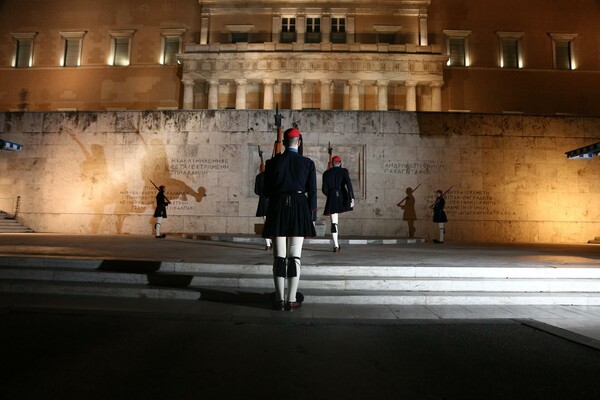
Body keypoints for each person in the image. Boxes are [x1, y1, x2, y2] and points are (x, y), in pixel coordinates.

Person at [262, 127, 317, 311]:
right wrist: (312, 216)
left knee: (279, 257)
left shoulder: (272, 163)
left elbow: (266, 191)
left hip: (278, 206)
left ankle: (279, 299)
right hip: (300, 206)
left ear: (284, 143)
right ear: (299, 143)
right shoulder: (308, 163)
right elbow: (313, 192)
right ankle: (291, 299)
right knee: (295, 256)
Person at [322, 155, 355, 252]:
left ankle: (336, 245)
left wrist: (331, 195)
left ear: (332, 163)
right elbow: (349, 185)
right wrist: (352, 198)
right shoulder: (344, 171)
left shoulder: (326, 174)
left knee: (334, 223)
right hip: (342, 197)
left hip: (332, 198)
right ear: (340, 163)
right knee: (335, 222)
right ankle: (336, 245)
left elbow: (324, 189)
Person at [254, 170, 272, 251]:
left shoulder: (259, 177)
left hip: (264, 202)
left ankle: (268, 244)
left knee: (266, 223)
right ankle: (272, 242)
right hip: (274, 202)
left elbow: (256, 191)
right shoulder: (274, 175)